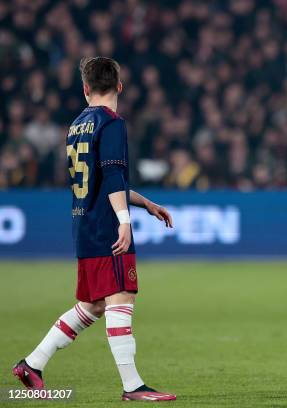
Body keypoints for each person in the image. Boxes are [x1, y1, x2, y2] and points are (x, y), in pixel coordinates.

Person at [12, 57, 177, 402]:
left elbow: (99, 181)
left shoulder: (76, 125)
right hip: (105, 225)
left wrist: (144, 203)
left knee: (92, 305)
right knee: (121, 297)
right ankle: (133, 386)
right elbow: (113, 176)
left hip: (83, 222)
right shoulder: (112, 123)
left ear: (85, 88)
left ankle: (32, 363)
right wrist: (125, 222)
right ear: (120, 86)